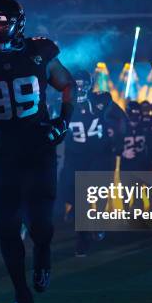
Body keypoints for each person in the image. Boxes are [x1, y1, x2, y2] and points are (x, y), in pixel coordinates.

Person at [0, 0, 76, 303]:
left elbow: (68, 85)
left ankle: (43, 254)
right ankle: (22, 297)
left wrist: (62, 122)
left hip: (37, 150)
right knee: (7, 228)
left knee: (40, 226)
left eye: (2, 22)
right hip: (0, 154)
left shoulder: (40, 52)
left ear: (17, 24)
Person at [60, 70, 114, 257]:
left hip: (98, 155)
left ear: (90, 84)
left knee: (99, 192)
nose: (81, 87)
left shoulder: (101, 99)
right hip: (76, 156)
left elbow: (109, 112)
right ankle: (82, 237)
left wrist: (116, 140)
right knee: (75, 196)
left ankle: (97, 221)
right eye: (77, 83)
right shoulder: (63, 103)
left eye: (84, 83)